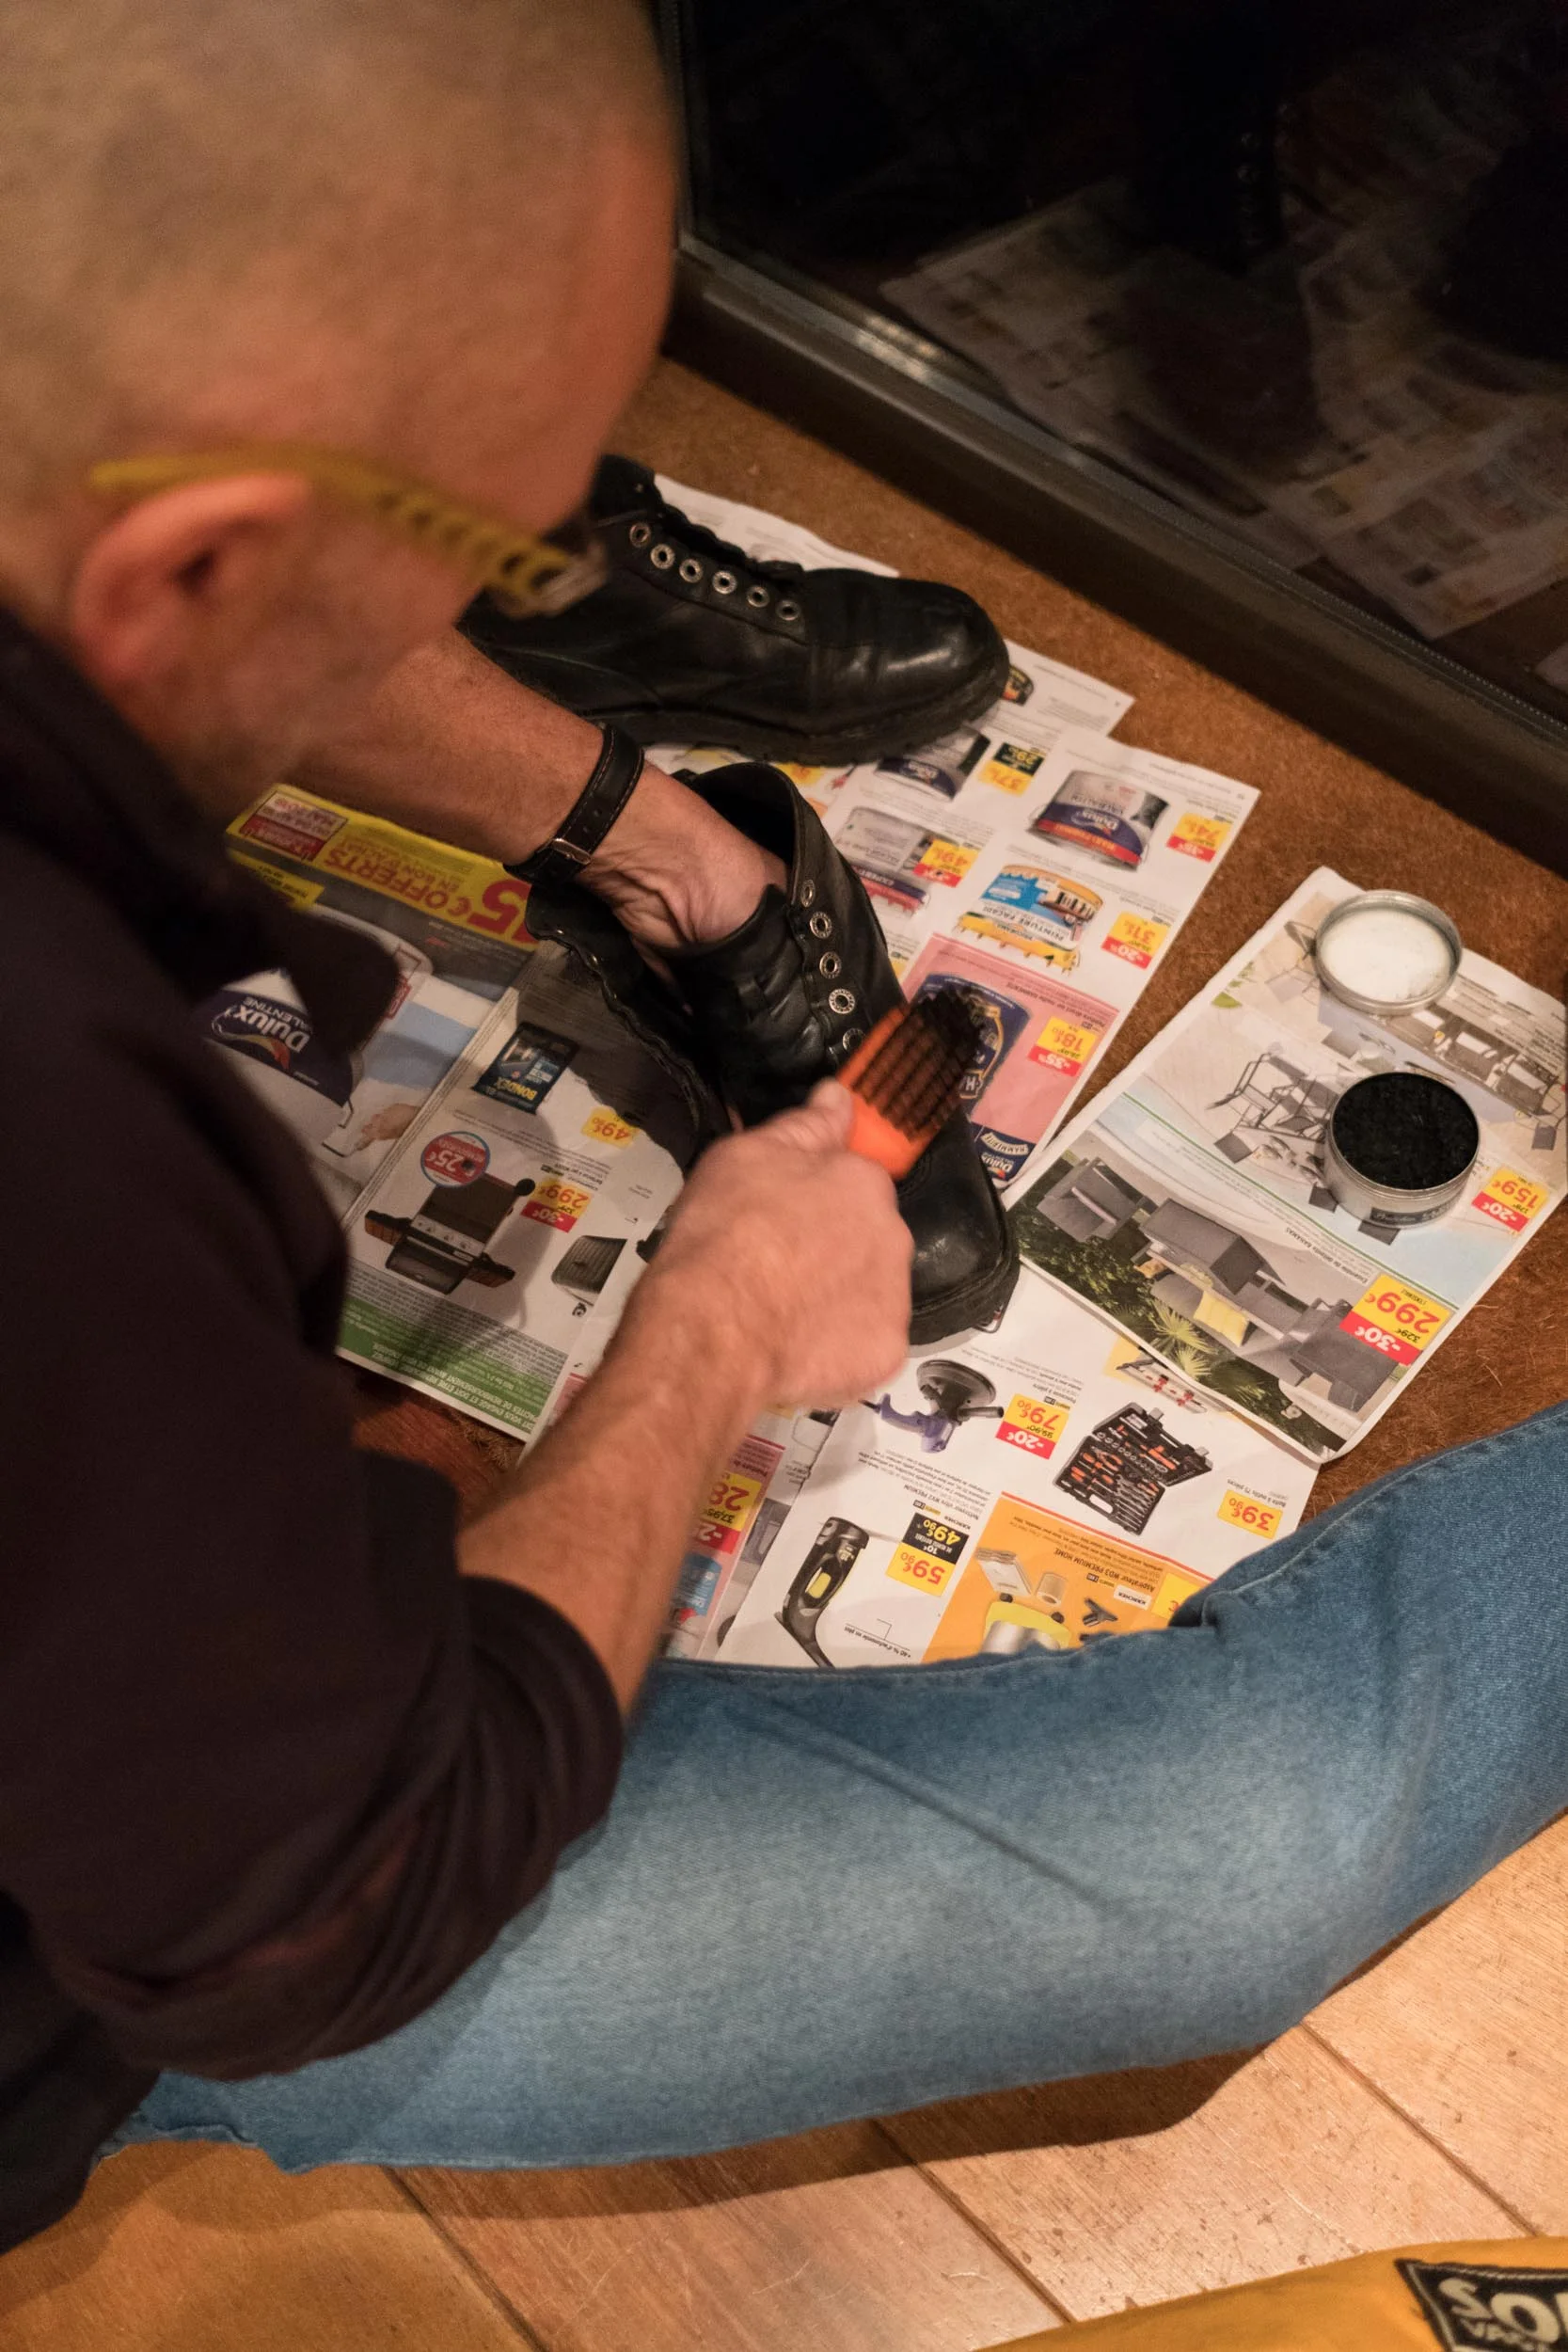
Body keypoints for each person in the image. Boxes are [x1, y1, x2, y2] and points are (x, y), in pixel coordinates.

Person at [3, 0, 1566, 2260]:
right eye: (490, 544)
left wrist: (642, 829)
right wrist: (709, 1339)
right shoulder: (45, 1143)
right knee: (1249, 1847)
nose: (538, 598)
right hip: (125, 1935)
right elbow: (310, 1908)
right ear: (200, 567)